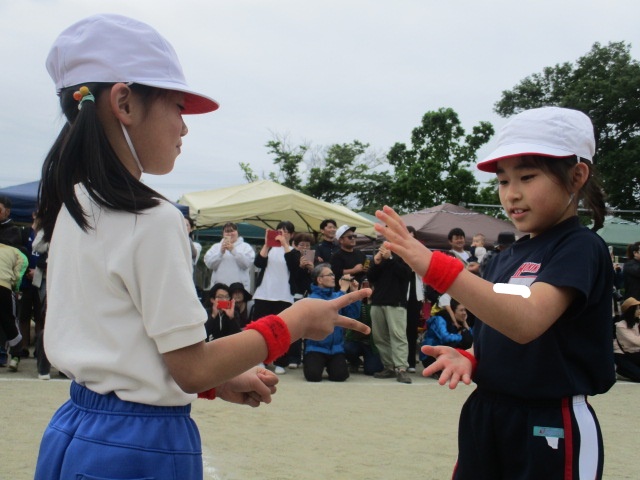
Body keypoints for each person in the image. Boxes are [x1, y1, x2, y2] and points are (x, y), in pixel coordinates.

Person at [34, 15, 370, 480]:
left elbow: (128, 349)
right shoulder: (152, 218)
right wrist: (295, 321)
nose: (184, 128)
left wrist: (218, 380)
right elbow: (191, 367)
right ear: (124, 103)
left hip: (75, 429)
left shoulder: (73, 204)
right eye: (177, 106)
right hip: (139, 447)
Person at [375, 106, 615, 479]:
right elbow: (498, 325)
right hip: (487, 412)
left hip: (551, 419)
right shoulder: (506, 257)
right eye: (503, 181)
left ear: (576, 176)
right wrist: (473, 357)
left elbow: (526, 321)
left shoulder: (579, 247)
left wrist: (436, 267)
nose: (512, 193)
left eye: (527, 177)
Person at [252, 221, 299, 374]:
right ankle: (259, 359)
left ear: (291, 235)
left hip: (284, 296)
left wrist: (285, 244)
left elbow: (294, 265)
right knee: (260, 329)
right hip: (263, 294)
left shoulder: (293, 251)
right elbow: (258, 263)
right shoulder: (269, 249)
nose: (281, 234)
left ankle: (280, 362)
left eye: (285, 231)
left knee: (281, 330)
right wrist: (267, 244)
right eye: (279, 231)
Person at [304, 263, 360, 382]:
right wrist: (343, 291)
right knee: (313, 376)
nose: (333, 277)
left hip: (336, 348)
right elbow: (329, 309)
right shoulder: (312, 298)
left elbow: (353, 315)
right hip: (315, 347)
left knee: (340, 376)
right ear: (319, 279)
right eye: (329, 275)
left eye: (333, 274)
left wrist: (354, 294)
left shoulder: (337, 296)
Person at [369, 243, 413, 384]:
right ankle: (388, 367)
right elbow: (371, 277)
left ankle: (401, 368)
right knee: (379, 337)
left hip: (396, 303)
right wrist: (376, 263)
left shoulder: (405, 254)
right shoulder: (380, 256)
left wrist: (390, 259)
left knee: (398, 336)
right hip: (377, 301)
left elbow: (405, 274)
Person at [344, 277, 384, 375]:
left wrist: (370, 301)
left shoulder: (380, 302)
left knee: (372, 370)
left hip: (372, 343)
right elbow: (351, 318)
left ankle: (369, 361)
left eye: (370, 285)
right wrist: (358, 299)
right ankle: (355, 362)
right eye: (364, 285)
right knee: (346, 348)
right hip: (355, 340)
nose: (367, 288)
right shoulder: (355, 301)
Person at [420, 299, 473, 371]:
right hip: (431, 356)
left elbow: (472, 339)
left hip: (446, 354)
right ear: (453, 312)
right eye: (461, 310)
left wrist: (465, 323)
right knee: (462, 339)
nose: (464, 313)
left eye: (465, 310)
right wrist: (460, 336)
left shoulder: (459, 321)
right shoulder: (440, 319)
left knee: (467, 338)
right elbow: (445, 337)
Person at [0, 240, 28, 371]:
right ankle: (16, 356)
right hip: (4, 287)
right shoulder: (17, 252)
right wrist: (16, 287)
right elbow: (20, 269)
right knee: (10, 321)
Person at [203, 222, 255, 292]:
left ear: (237, 232)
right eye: (227, 231)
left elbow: (246, 264)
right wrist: (220, 253)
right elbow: (209, 264)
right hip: (219, 289)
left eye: (232, 231)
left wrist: (233, 251)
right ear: (223, 234)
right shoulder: (216, 247)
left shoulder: (246, 247)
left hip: (239, 290)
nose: (230, 234)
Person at [405, 225, 424, 373]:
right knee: (399, 330)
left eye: (413, 237)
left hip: (416, 296)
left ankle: (411, 361)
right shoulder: (397, 252)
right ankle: (400, 360)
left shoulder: (420, 253)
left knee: (412, 330)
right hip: (400, 295)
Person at [613, 297, 640, 382]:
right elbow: (636, 341)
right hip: (622, 355)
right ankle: (621, 370)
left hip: (635, 353)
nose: (639, 311)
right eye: (637, 309)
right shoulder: (620, 326)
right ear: (631, 311)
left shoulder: (637, 323)